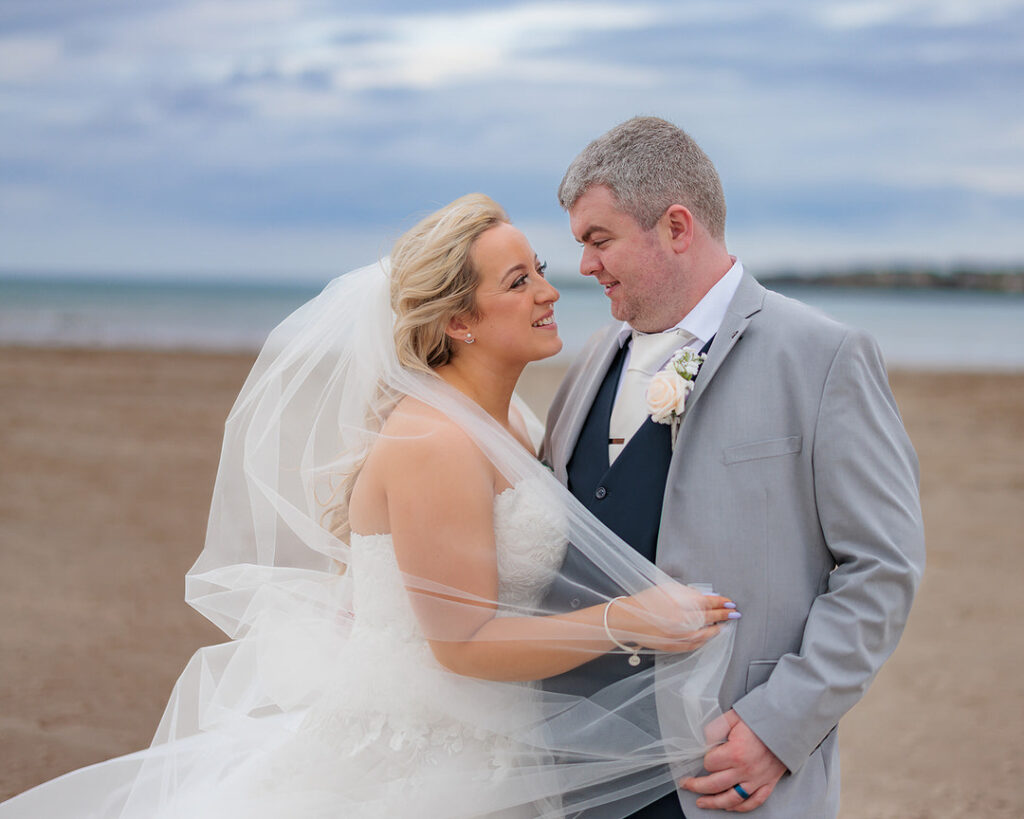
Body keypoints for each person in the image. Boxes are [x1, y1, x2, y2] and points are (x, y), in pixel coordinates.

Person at [0, 194, 738, 819]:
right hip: (424, 765)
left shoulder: (509, 422)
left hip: (497, 741)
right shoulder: (436, 441)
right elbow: (462, 644)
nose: (549, 292)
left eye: (539, 269)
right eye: (519, 282)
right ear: (459, 322)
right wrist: (624, 621)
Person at [542, 117, 926, 818]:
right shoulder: (594, 355)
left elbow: (883, 567)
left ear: (676, 227)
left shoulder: (821, 356)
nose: (586, 265)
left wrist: (779, 728)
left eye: (599, 239)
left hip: (718, 772)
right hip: (576, 767)